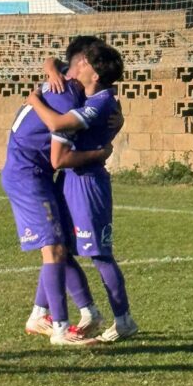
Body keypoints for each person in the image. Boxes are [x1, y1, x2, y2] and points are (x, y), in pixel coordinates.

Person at [2, 37, 112, 346]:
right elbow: (58, 154)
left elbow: (52, 61)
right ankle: (60, 329)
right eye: (96, 68)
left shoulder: (62, 79)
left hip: (34, 174)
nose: (100, 78)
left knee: (59, 245)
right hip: (27, 176)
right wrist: (100, 153)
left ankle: (67, 313)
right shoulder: (66, 98)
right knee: (53, 250)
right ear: (83, 65)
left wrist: (49, 69)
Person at [27, 41, 138, 343]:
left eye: (84, 63)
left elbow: (57, 123)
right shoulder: (91, 94)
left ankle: (124, 320)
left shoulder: (100, 103)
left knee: (99, 253)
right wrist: (51, 70)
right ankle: (44, 312)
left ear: (95, 75)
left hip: (88, 184)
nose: (78, 65)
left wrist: (34, 100)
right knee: (57, 247)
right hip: (69, 180)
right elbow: (53, 62)